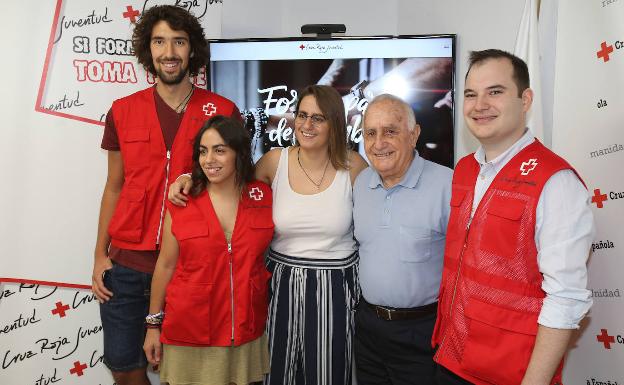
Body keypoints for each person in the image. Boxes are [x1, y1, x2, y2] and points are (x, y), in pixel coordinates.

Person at [169, 84, 368, 385]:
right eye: (302, 115)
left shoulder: (353, 167)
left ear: (335, 123)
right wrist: (187, 177)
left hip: (335, 287)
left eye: (318, 118)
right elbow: (227, 179)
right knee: (277, 373)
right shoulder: (275, 162)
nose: (307, 125)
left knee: (328, 373)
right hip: (279, 284)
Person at [91, 5, 240, 385]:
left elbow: (235, 189)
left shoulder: (221, 111)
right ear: (148, 49)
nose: (169, 52)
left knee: (186, 376)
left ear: (192, 51)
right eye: (159, 41)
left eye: (178, 41)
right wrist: (97, 256)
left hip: (190, 268)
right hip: (126, 268)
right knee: (125, 371)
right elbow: (114, 187)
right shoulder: (123, 111)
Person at [432, 49, 595, 385]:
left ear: (525, 100)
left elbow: (565, 298)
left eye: (495, 92)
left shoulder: (554, 181)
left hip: (509, 374)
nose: (480, 105)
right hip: (450, 360)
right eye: (470, 95)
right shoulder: (464, 170)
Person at [143, 116, 274, 385]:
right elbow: (166, 265)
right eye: (203, 151)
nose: (209, 159)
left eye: (220, 150)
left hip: (244, 336)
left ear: (239, 152)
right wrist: (152, 326)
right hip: (189, 336)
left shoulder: (263, 196)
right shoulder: (182, 201)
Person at [353, 94, 452, 384]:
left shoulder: (447, 184)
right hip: (368, 330)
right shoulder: (361, 184)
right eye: (370, 133)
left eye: (390, 131)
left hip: (421, 333)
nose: (378, 143)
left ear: (414, 134)